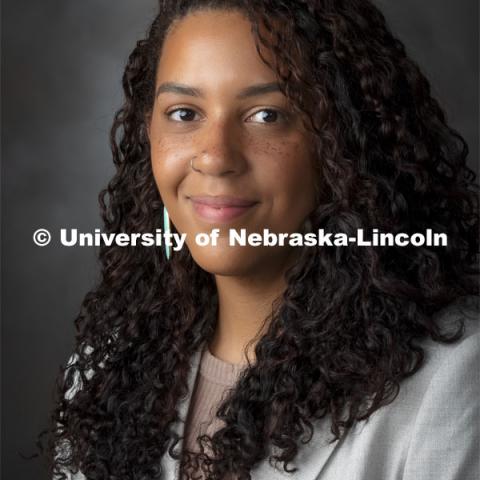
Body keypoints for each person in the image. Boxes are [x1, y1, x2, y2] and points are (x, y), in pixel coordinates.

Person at [39, 1, 479, 479]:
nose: (215, 157)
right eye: (184, 113)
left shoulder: (453, 380)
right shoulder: (101, 373)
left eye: (266, 115)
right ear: (148, 133)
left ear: (343, 141)